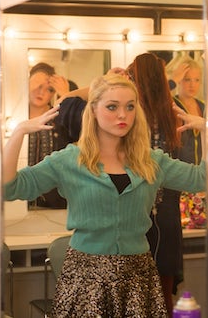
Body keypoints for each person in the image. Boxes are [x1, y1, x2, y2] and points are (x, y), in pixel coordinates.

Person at [3, 73, 206, 317]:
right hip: (85, 277)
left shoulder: (151, 160)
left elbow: (202, 179)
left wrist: (207, 130)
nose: (123, 115)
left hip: (138, 276)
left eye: (130, 107)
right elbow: (9, 187)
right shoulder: (69, 160)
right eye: (112, 106)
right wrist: (18, 133)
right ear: (94, 110)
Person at [53, 52, 196, 316]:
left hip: (143, 226)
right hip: (164, 218)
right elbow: (191, 166)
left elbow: (65, 102)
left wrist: (103, 83)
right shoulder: (172, 114)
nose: (123, 114)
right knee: (158, 296)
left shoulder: (123, 118)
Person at [27, 62, 74, 208]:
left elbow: (81, 139)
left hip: (54, 205)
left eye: (49, 89)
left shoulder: (60, 120)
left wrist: (66, 96)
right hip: (17, 202)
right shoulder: (12, 118)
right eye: (38, 85)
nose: (41, 92)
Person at [172, 57, 207, 229]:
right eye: (187, 79)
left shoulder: (204, 106)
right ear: (178, 80)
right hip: (181, 177)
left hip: (202, 177)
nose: (192, 85)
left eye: (196, 80)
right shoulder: (171, 106)